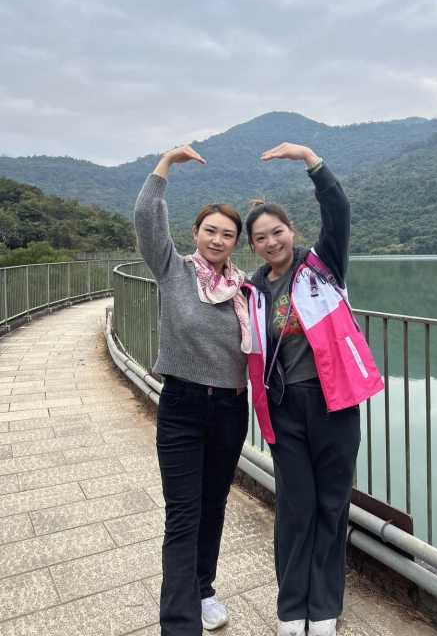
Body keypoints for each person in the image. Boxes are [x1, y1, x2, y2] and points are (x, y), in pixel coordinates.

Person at [243, 143, 384, 636]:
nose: (271, 242)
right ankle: (291, 608)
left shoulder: (323, 264)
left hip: (334, 403)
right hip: (284, 408)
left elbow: (338, 211)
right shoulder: (253, 290)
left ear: (292, 230)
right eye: (260, 238)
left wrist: (310, 160)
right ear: (253, 246)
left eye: (277, 231)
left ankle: (323, 607)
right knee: (294, 507)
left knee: (331, 504)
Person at [134, 144, 250, 636]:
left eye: (227, 234)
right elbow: (146, 218)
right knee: (182, 515)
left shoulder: (247, 289)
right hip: (181, 404)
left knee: (213, 506)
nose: (218, 239)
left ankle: (202, 590)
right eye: (210, 231)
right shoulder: (173, 270)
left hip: (230, 408)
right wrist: (165, 164)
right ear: (195, 233)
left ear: (237, 242)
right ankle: (179, 624)